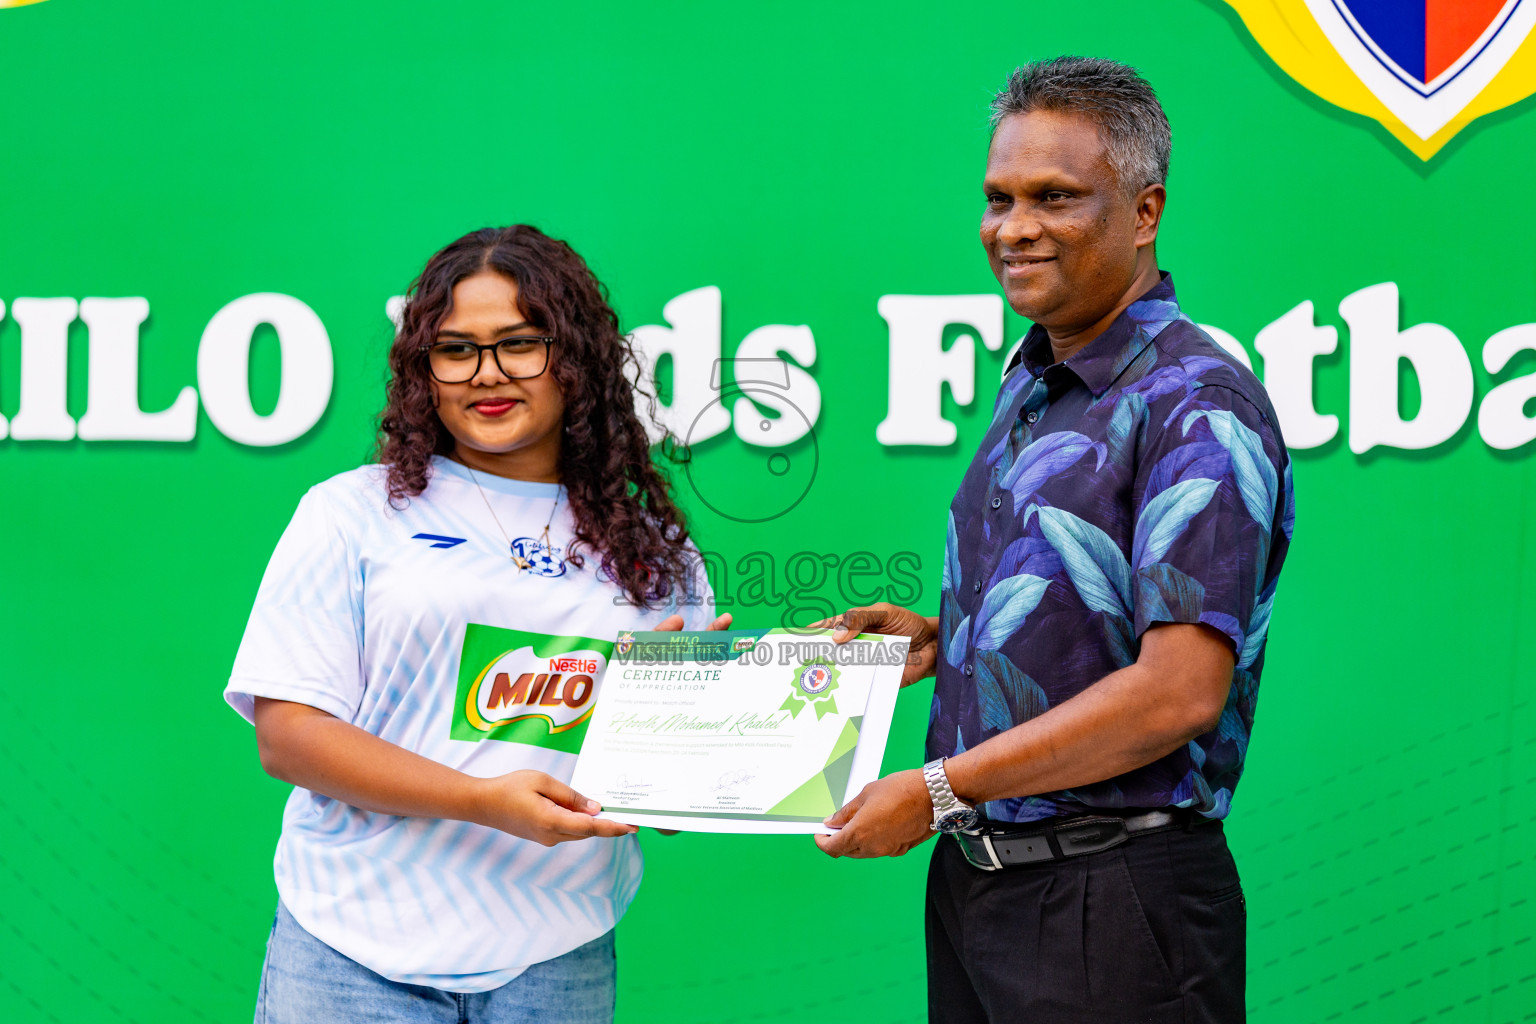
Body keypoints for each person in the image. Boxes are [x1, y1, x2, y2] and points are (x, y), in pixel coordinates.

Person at [814, 58, 1294, 1023]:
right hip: (982, 888)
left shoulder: (1196, 401)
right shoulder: (1035, 376)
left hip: (1112, 903)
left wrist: (938, 790)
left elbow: (1178, 691)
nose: (1014, 227)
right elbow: (1094, 619)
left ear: (1145, 211)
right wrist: (945, 642)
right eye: (999, 198)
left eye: (1055, 197)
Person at [225, 225, 728, 1023]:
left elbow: (663, 810)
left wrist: (684, 735)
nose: (487, 374)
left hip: (554, 960)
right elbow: (286, 735)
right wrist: (481, 799)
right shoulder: (352, 513)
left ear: (577, 359)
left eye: (520, 344)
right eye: (456, 349)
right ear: (424, 369)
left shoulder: (655, 554)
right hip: (350, 954)